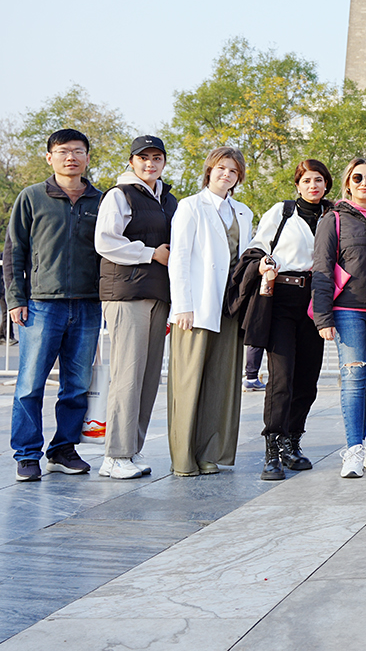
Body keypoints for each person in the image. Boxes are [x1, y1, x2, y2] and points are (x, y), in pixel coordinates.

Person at [5, 129, 103, 482]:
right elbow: (14, 250)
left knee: (76, 386)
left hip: (88, 306)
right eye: (62, 151)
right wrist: (15, 299)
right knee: (30, 385)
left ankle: (63, 450)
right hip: (42, 305)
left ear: (87, 157)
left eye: (78, 151)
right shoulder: (32, 197)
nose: (70, 157)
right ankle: (26, 454)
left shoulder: (101, 201)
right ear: (50, 157)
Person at [93, 135, 177, 479]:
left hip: (158, 293)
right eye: (143, 158)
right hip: (127, 293)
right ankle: (114, 455)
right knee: (127, 375)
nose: (150, 164)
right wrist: (150, 253)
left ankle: (131, 450)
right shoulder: (120, 194)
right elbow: (105, 241)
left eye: (157, 158)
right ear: (131, 161)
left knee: (148, 377)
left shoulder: (168, 199)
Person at [167, 146, 254, 477]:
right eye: (221, 168)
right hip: (198, 308)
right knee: (189, 381)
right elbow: (179, 258)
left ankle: (209, 453)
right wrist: (183, 305)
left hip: (230, 307)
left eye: (233, 171)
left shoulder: (243, 212)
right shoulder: (190, 207)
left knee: (221, 382)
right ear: (209, 170)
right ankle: (183, 458)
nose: (226, 175)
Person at [245, 159, 334, 480]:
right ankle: (272, 447)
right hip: (282, 297)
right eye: (307, 180)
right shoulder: (282, 212)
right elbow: (257, 247)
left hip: (317, 300)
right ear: (297, 185)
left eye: (319, 180)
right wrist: (265, 264)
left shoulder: (333, 215)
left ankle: (292, 442)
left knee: (307, 379)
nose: (313, 185)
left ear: (327, 185)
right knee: (281, 378)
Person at [313, 157, 366, 478]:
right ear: (347, 182)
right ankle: (353, 449)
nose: (364, 183)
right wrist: (323, 317)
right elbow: (321, 267)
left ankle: (362, 442)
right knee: (355, 376)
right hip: (347, 310)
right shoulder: (333, 218)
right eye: (357, 177)